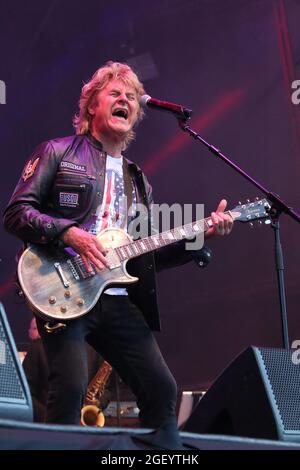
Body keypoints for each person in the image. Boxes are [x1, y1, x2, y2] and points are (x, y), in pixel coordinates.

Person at [3, 61, 233, 446]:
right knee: (70, 389)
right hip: (61, 290)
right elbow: (16, 213)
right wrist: (70, 233)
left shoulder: (137, 180)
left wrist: (201, 236)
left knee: (161, 390)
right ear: (92, 106)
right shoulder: (58, 151)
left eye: (131, 97)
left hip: (116, 298)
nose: (125, 99)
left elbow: (145, 254)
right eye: (115, 93)